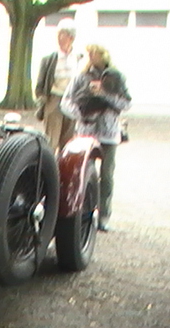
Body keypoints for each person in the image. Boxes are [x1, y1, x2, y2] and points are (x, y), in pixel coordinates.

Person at [61, 43, 132, 232]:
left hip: (109, 133)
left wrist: (104, 95)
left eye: (95, 53)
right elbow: (66, 101)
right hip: (86, 132)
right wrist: (80, 114)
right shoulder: (81, 76)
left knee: (107, 176)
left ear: (104, 55)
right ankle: (81, 213)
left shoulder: (116, 77)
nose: (91, 56)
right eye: (89, 53)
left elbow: (126, 103)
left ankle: (103, 215)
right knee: (83, 174)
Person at [35, 18, 81, 152]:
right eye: (58, 35)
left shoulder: (79, 58)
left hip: (72, 101)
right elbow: (40, 84)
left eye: (63, 35)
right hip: (54, 100)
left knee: (68, 141)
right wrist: (43, 99)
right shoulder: (49, 59)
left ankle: (63, 170)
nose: (59, 38)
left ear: (71, 38)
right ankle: (49, 169)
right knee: (51, 140)